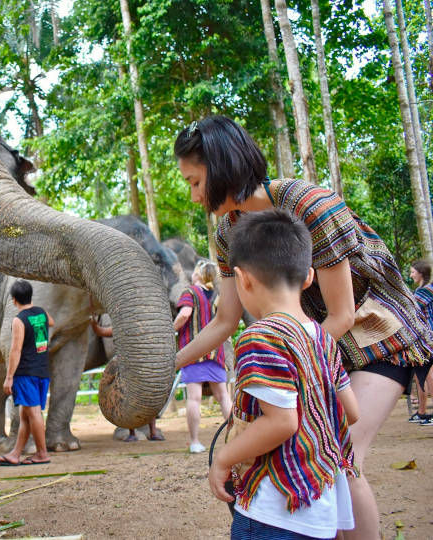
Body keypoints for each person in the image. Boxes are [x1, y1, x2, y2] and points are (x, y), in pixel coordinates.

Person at [173, 115, 433, 540]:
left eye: (196, 181)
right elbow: (224, 320)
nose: (194, 195)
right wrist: (169, 363)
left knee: (343, 456)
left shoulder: (308, 203)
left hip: (376, 337)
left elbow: (343, 316)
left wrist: (292, 361)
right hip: (317, 350)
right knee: (322, 455)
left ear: (221, 168)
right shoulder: (228, 235)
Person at [209, 209, 360, 539]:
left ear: (243, 279)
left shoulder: (260, 337)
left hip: (275, 507)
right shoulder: (322, 338)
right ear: (308, 277)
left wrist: (224, 458)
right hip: (320, 500)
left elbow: (281, 421)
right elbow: (351, 411)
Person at [0, 280, 55, 466]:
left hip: (26, 372)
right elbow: (51, 322)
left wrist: (9, 377)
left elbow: (15, 350)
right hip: (42, 370)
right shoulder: (41, 313)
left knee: (33, 412)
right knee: (25, 415)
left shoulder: (19, 320)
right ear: (30, 296)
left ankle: (42, 453)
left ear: (13, 300)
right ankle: (15, 453)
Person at [173, 260, 232, 453]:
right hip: (216, 352)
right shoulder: (218, 295)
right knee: (223, 396)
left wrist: (170, 330)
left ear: (198, 274)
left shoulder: (190, 292)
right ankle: (235, 438)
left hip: (194, 352)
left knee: (194, 398)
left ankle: (195, 442)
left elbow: (184, 315)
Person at [89, 317, 164, 441]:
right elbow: (101, 332)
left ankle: (151, 432)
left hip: (143, 369)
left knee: (149, 400)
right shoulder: (122, 328)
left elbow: (102, 332)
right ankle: (135, 433)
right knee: (128, 400)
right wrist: (93, 323)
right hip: (128, 369)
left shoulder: (138, 329)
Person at [409, 260, 433, 425]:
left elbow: (411, 308)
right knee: (421, 376)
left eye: (412, 272)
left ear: (421, 273)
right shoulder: (421, 290)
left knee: (429, 376)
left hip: (429, 338)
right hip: (423, 339)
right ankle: (422, 411)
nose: (411, 275)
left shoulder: (426, 291)